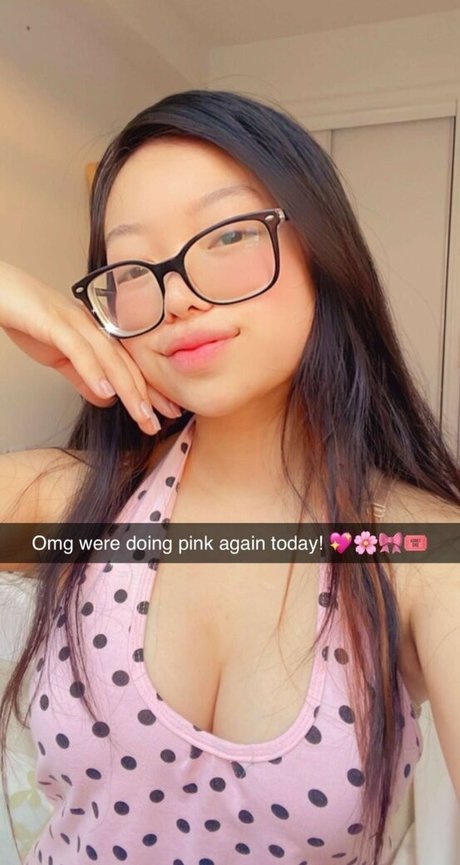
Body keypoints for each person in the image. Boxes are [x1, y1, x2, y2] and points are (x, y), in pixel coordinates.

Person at [0, 89, 459, 865]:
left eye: (229, 233)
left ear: (321, 248)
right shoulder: (68, 504)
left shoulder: (419, 551)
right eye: (132, 265)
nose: (176, 295)